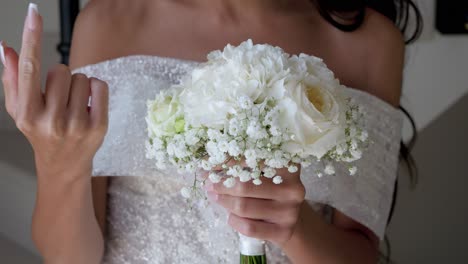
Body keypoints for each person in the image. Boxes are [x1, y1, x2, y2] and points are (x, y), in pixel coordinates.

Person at [0, 1, 420, 263]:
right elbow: (67, 257)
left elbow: (358, 255)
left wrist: (292, 226)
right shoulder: (107, 22)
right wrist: (59, 167)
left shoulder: (369, 44)